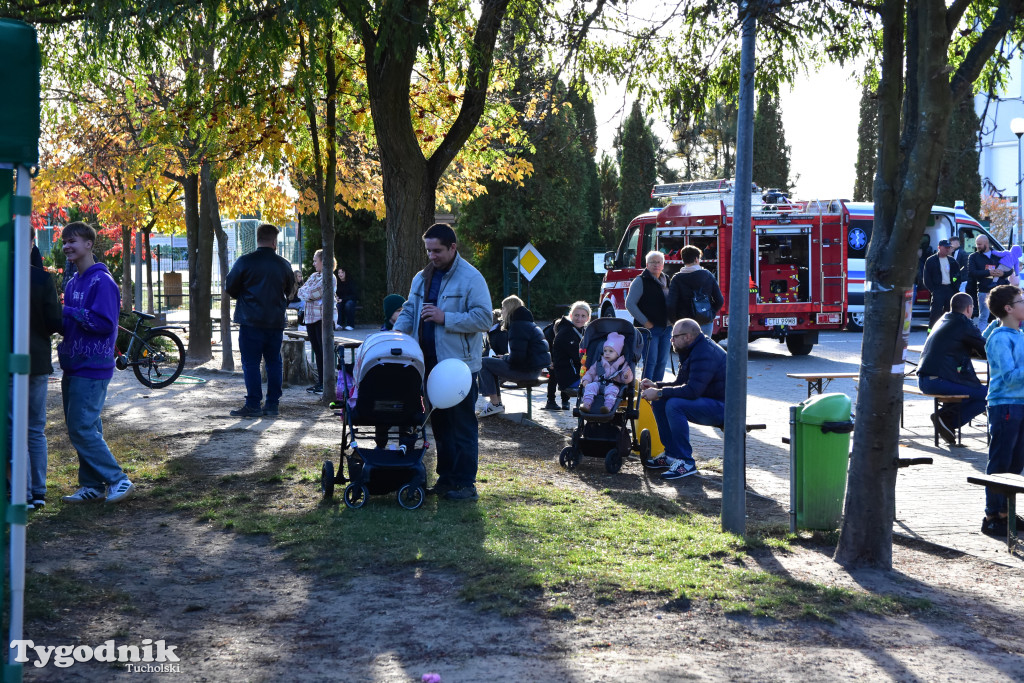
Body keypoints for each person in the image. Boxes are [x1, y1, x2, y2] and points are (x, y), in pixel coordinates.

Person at [393, 223, 492, 501]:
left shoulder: (472, 278)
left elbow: (485, 318)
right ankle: (447, 479)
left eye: (437, 250)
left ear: (452, 247)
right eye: (428, 250)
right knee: (441, 426)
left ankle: (465, 484)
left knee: (461, 426)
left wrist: (445, 318)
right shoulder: (421, 277)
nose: (432, 256)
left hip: (458, 369)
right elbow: (410, 309)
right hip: (428, 366)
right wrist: (396, 335)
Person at [57, 222, 135, 504]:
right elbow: (74, 321)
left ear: (89, 244)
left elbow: (103, 324)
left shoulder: (102, 282)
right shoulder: (73, 281)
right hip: (73, 365)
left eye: (72, 241)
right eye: (64, 241)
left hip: (93, 367)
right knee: (87, 427)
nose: (67, 246)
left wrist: (66, 311)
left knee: (81, 428)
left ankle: (118, 480)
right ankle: (91, 485)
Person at [640, 318, 726, 481]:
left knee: (674, 404)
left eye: (674, 336)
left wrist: (659, 393)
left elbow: (692, 391)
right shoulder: (692, 348)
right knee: (662, 400)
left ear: (687, 336)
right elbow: (680, 384)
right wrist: (656, 385)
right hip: (707, 400)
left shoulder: (704, 353)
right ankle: (671, 455)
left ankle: (685, 461)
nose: (671, 340)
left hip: (724, 408)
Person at [224, 223, 294, 417]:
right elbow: (290, 290)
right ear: (274, 242)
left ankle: (253, 403)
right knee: (274, 362)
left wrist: (244, 296)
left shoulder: (244, 261)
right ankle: (272, 405)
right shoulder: (283, 264)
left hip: (250, 320)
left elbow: (230, 286)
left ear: (257, 239)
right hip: (275, 322)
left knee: (251, 363)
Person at [18, 242, 63, 509]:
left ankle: (20, 491)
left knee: (12, 429)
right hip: (36, 360)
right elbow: (54, 323)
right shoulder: (43, 278)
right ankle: (38, 491)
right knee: (35, 428)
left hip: (9, 363)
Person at [979, 284, 1024, 537]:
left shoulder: (1019, 334)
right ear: (1008, 308)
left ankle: (1007, 512)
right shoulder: (999, 338)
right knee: (1000, 461)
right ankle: (992, 515)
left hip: (1020, 403)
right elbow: (1009, 377)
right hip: (1005, 404)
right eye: (1021, 300)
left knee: (1016, 461)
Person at [917, 292, 987, 445]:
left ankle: (945, 420)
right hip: (940, 380)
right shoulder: (963, 323)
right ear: (969, 308)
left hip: (927, 378)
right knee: (989, 395)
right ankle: (948, 420)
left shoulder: (943, 319)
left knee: (974, 389)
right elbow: (986, 348)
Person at [477, 295, 550, 417]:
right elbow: (521, 354)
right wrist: (504, 357)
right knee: (491, 362)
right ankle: (496, 403)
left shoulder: (517, 326)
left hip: (527, 371)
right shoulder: (526, 323)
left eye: (503, 308)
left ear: (509, 309)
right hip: (533, 369)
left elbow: (517, 358)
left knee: (483, 362)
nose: (502, 312)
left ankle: (494, 404)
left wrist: (505, 358)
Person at [626, 250, 672, 382]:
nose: (656, 265)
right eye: (652, 262)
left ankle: (657, 390)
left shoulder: (666, 279)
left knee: (662, 361)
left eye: (659, 262)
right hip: (649, 329)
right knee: (650, 361)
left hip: (667, 328)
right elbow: (630, 304)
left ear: (663, 265)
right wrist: (645, 322)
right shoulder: (640, 281)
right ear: (647, 264)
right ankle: (646, 393)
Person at [667, 245, 724, 338]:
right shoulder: (707, 275)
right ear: (696, 259)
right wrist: (711, 313)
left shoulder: (677, 278)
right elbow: (719, 300)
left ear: (683, 260)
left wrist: (675, 322)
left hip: (685, 323)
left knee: (687, 351)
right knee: (704, 350)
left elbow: (671, 304)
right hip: (705, 321)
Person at [544, 301, 589, 411]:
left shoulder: (582, 330)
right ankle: (588, 412)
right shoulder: (567, 332)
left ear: (588, 318)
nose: (579, 319)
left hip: (574, 373)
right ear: (571, 315)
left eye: (583, 316)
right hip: (569, 377)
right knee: (597, 384)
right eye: (576, 315)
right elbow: (579, 358)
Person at [579, 331, 634, 413]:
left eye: (611, 351)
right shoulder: (599, 362)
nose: (607, 353)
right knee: (590, 387)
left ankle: (607, 407)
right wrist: (586, 380)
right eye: (605, 351)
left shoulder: (622, 365)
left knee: (612, 391)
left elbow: (625, 380)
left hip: (613, 385)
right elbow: (590, 373)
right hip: (598, 383)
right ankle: (586, 404)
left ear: (618, 354)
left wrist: (626, 376)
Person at [297, 250, 328, 394]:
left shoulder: (329, 277)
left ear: (324, 261)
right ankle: (320, 382)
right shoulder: (314, 276)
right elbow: (301, 291)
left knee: (323, 350)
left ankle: (325, 383)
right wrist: (307, 294)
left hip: (321, 318)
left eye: (316, 260)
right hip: (309, 318)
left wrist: (307, 294)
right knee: (316, 350)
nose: (313, 263)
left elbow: (314, 293)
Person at [968, 234, 1009, 331]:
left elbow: (1010, 270)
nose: (977, 246)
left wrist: (1002, 273)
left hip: (999, 291)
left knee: (1000, 316)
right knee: (983, 317)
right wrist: (988, 272)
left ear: (986, 243)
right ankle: (982, 341)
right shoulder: (973, 257)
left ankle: (1000, 336)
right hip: (984, 290)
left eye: (980, 244)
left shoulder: (998, 255)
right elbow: (972, 272)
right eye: (977, 244)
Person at [922, 239, 961, 328]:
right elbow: (926, 278)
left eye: (949, 248)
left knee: (949, 313)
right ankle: (931, 333)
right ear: (939, 247)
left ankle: (946, 331)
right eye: (945, 247)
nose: (947, 249)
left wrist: (955, 287)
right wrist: (933, 290)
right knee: (935, 314)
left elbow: (958, 275)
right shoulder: (931, 260)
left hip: (950, 290)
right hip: (938, 290)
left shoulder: (952, 261)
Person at [335, 266, 358, 331]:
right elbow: (335, 293)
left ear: (345, 273)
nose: (340, 274)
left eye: (342, 272)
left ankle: (350, 325)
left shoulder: (351, 282)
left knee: (348, 304)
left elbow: (354, 295)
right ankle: (338, 324)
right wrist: (336, 298)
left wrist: (343, 299)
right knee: (337, 305)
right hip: (340, 301)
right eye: (339, 273)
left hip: (350, 301)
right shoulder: (337, 283)